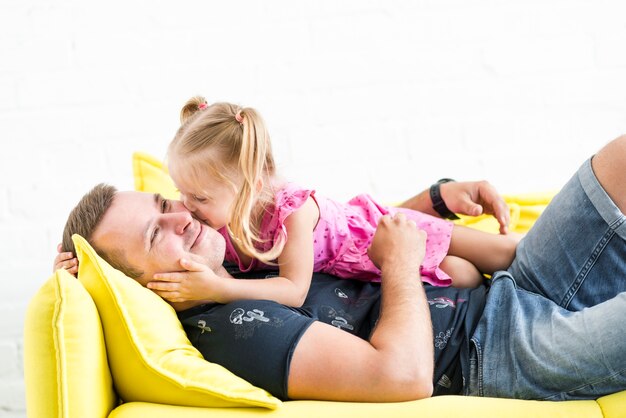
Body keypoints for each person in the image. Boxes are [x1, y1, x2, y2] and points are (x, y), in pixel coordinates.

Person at [54, 135, 626, 402]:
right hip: (495, 350)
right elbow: (402, 378)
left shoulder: (230, 249)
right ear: (137, 283)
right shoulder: (231, 332)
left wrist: (432, 200)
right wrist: (402, 265)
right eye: (157, 232)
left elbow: (342, 237)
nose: (181, 215)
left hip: (512, 286)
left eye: (164, 204)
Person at [146, 97, 519, 308]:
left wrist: (218, 287)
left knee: (507, 255)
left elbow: (294, 290)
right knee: (466, 276)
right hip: (376, 268)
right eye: (180, 191)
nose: (186, 206)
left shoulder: (293, 212)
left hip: (385, 230)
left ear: (250, 187)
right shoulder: (216, 225)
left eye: (199, 197)